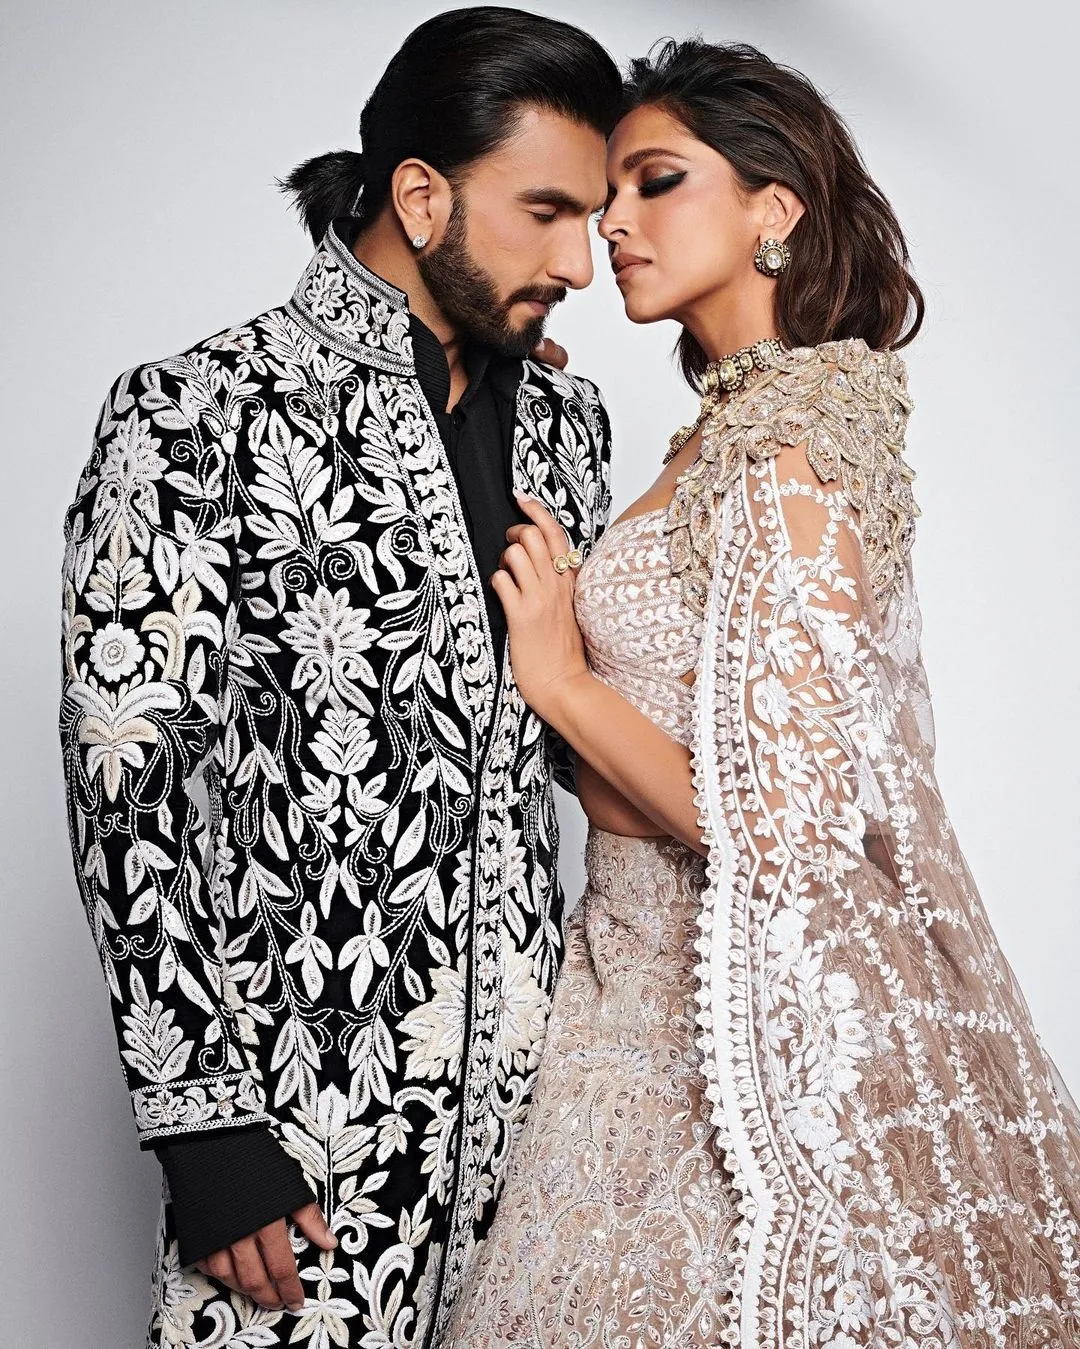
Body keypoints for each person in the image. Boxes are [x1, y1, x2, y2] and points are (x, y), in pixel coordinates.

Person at [446, 39, 1080, 1349]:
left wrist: (558, 680)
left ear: (771, 208)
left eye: (657, 181)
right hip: (625, 1000)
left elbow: (784, 828)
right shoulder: (724, 435)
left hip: (722, 1035)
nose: (613, 222)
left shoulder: (796, 443)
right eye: (609, 193)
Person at [58, 10, 619, 1346]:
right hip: (298, 1134)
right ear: (420, 198)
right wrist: (202, 1132)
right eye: (546, 213)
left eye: (593, 219)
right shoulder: (196, 413)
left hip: (536, 1138)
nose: (580, 264)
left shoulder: (568, 425)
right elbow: (130, 785)